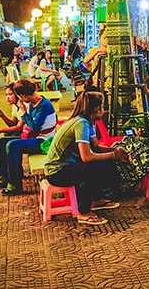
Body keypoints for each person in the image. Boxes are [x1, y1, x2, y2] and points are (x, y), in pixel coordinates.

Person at [44, 91, 130, 225]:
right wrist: (113, 155)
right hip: (57, 172)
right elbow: (87, 157)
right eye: (103, 106)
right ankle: (83, 212)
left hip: (68, 167)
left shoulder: (88, 122)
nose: (104, 109)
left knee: (106, 163)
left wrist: (116, 151)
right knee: (95, 168)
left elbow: (95, 147)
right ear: (97, 109)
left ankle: (95, 199)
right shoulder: (81, 123)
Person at [0, 79, 58, 196]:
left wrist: (24, 112)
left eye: (20, 97)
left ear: (24, 95)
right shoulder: (31, 103)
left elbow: (35, 127)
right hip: (34, 136)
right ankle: (4, 177)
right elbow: (31, 124)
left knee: (13, 146)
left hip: (44, 140)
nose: (20, 100)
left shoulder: (44, 105)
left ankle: (15, 184)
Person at [0, 84, 28, 189]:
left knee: (1, 142)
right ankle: (3, 176)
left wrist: (0, 130)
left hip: (28, 135)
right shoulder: (15, 107)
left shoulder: (23, 106)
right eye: (6, 95)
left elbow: (19, 127)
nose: (7, 97)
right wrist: (1, 115)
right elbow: (12, 124)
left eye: (10, 94)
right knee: (3, 138)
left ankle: (12, 176)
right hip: (22, 133)